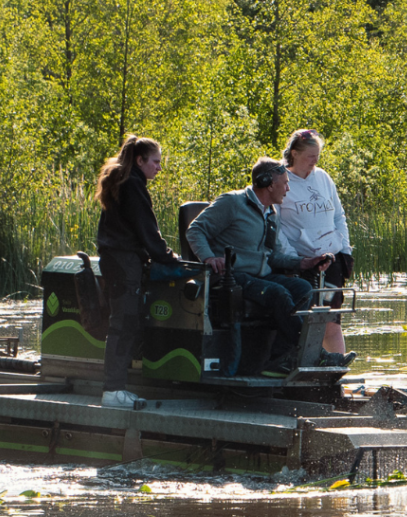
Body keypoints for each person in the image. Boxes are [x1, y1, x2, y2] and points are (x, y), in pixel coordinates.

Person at [186, 157, 332, 377]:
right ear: (269, 184)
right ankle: (314, 354)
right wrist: (208, 258)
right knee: (278, 293)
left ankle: (278, 358)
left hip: (258, 278)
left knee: (303, 288)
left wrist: (303, 263)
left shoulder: (271, 214)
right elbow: (195, 230)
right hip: (232, 277)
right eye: (285, 183)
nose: (288, 188)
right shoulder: (232, 203)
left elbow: (272, 256)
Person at [95, 134, 179, 408]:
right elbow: (147, 230)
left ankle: (116, 388)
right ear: (140, 160)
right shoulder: (133, 185)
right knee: (123, 323)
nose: (159, 167)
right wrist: (169, 258)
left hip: (117, 260)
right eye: (155, 161)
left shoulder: (123, 182)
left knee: (124, 322)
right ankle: (112, 391)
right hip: (124, 263)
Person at [277, 128, 356, 366]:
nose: (315, 160)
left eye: (318, 155)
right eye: (311, 155)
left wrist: (344, 248)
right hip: (302, 264)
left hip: (331, 260)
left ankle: (336, 371)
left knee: (331, 318)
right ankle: (306, 369)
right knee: (306, 321)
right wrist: (293, 259)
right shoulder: (281, 180)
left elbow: (338, 215)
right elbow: (276, 226)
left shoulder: (323, 177)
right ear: (294, 154)